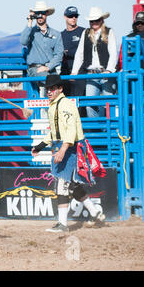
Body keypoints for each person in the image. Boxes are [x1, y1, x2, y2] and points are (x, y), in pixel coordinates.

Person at [31, 75, 106, 233]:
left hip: (69, 147)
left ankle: (63, 224)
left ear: (60, 89)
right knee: (73, 185)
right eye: (48, 88)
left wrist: (63, 149)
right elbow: (55, 132)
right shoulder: (55, 105)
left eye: (52, 88)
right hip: (65, 145)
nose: (49, 91)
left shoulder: (65, 105)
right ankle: (95, 213)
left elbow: (70, 130)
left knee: (61, 185)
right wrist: (40, 146)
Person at [71, 7, 118, 118]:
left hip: (106, 73)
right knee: (90, 105)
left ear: (102, 20)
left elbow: (113, 53)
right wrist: (74, 72)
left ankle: (110, 132)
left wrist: (109, 70)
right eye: (92, 21)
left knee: (109, 105)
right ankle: (98, 130)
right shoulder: (85, 33)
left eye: (97, 20)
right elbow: (79, 54)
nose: (94, 23)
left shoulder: (109, 32)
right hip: (91, 74)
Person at [20, 1, 64, 79]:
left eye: (42, 13)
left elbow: (59, 54)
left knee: (60, 84)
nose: (40, 16)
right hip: (35, 69)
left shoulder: (56, 34)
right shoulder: (31, 31)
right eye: (37, 13)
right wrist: (30, 21)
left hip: (50, 69)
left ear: (47, 13)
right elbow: (23, 41)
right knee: (52, 82)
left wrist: (48, 67)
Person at [61, 6, 85, 99]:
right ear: (65, 17)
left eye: (75, 16)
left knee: (80, 102)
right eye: (71, 16)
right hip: (66, 72)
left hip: (81, 72)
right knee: (66, 102)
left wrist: (68, 52)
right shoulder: (61, 35)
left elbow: (85, 52)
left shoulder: (84, 32)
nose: (74, 18)